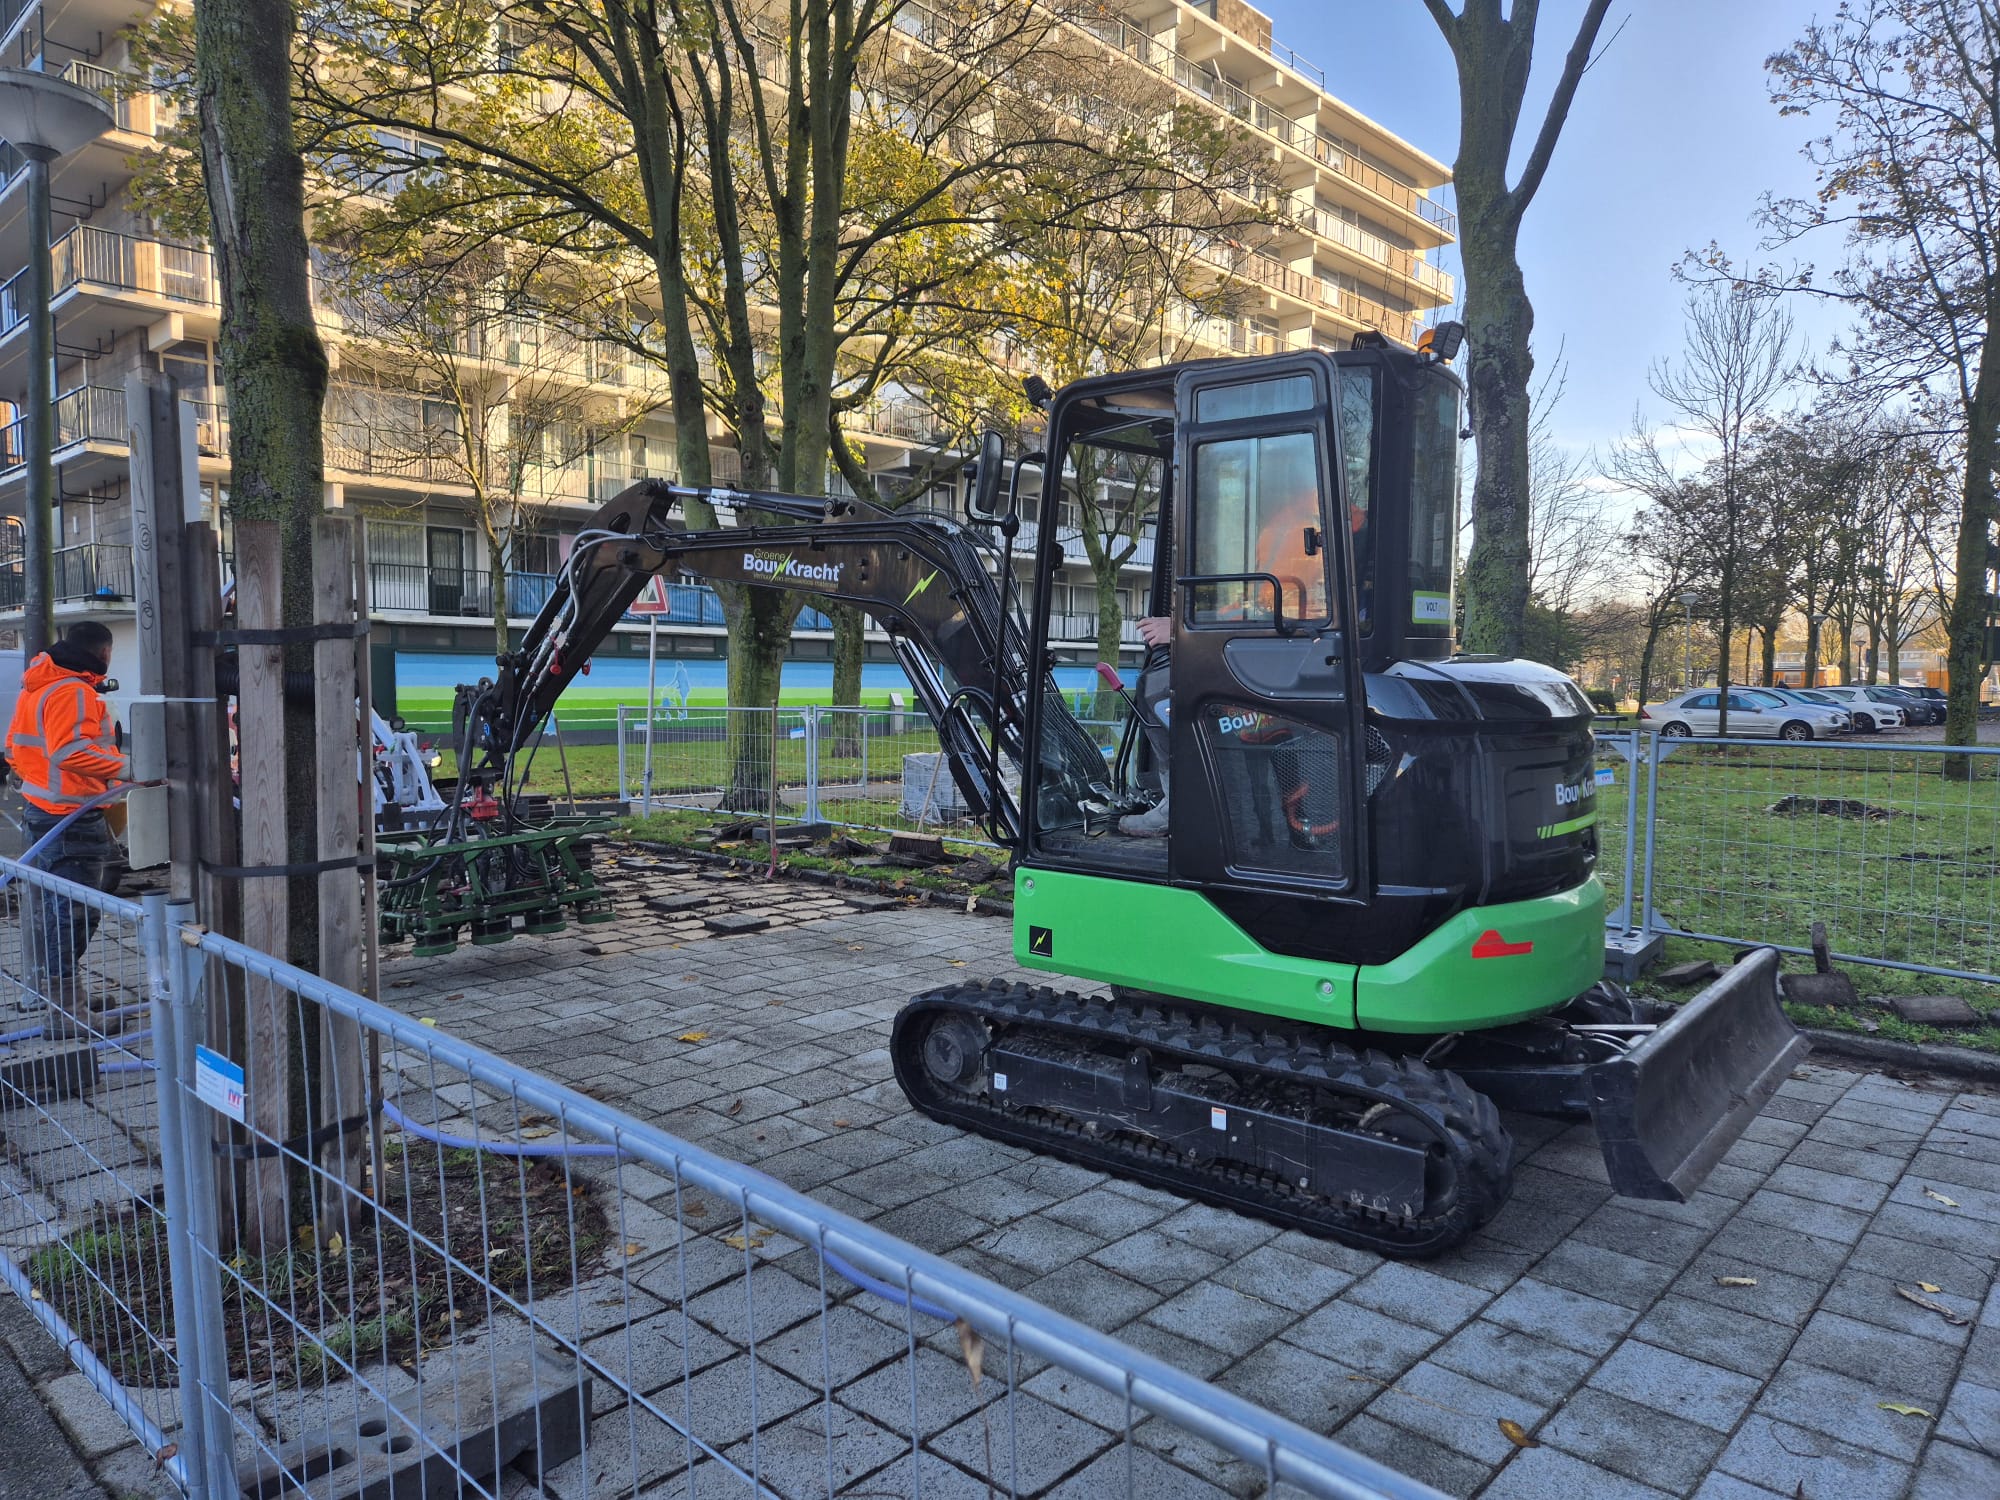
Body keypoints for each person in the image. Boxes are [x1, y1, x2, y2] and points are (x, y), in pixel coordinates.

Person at [1118, 486, 1346, 839]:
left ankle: (1181, 811)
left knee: (1158, 689)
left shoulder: (1293, 531)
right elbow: (1255, 605)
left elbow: (1278, 612)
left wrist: (1179, 632)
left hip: (1278, 665)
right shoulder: (1299, 526)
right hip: (1286, 661)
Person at [5, 621, 127, 1035]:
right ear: (104, 652)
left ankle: (65, 997)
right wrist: (129, 769)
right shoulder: (72, 690)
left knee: (65, 909)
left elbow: (17, 747)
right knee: (72, 913)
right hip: (69, 817)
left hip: (48, 811)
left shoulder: (38, 685)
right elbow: (70, 751)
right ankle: (66, 1012)